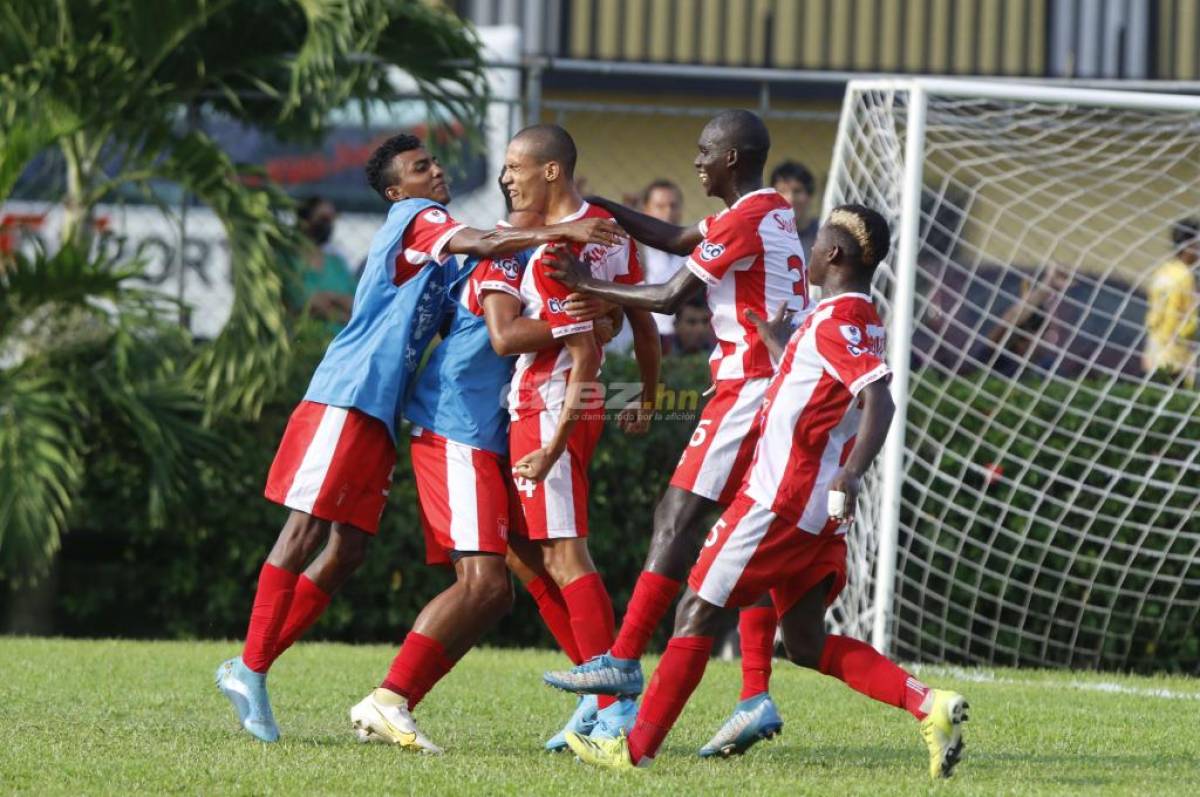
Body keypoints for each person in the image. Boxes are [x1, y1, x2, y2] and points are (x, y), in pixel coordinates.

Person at [214, 132, 624, 744]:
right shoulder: (419, 218)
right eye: (419, 166)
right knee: (312, 534)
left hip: (396, 409)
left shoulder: (458, 249)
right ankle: (254, 667)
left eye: (433, 162)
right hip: (350, 394)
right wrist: (565, 244)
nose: (436, 171)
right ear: (393, 190)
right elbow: (501, 312)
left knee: (357, 553)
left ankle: (597, 693)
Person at [564, 205, 970, 780]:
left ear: (834, 255)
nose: (808, 244)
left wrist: (852, 472)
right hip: (815, 517)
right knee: (804, 642)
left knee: (697, 609)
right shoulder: (848, 317)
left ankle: (633, 750)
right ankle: (929, 705)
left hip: (781, 501)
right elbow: (819, 388)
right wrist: (780, 343)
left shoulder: (838, 320)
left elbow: (880, 399)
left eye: (818, 237)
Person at [542, 109, 810, 757]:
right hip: (777, 391)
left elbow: (668, 297)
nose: (697, 160)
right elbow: (679, 237)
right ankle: (753, 693)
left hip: (749, 387)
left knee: (677, 514)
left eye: (705, 150)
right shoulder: (763, 211)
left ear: (734, 159)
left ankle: (625, 658)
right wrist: (600, 205)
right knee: (745, 537)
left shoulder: (748, 217)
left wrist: (587, 283)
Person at [346, 169, 618, 753]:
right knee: (485, 585)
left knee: (526, 566)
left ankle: (602, 700)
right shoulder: (508, 251)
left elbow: (605, 322)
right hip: (456, 431)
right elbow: (502, 335)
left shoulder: (538, 250)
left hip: (486, 434)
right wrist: (580, 322)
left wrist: (603, 316)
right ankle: (390, 700)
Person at [497, 124, 663, 746]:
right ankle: (596, 695)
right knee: (523, 547)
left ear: (550, 172)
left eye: (516, 165)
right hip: (561, 405)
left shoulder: (551, 255)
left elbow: (588, 351)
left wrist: (553, 443)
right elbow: (642, 326)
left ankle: (614, 706)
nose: (507, 177)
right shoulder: (604, 236)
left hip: (551, 405)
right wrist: (646, 399)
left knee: (565, 552)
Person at [969, 264, 1069, 378]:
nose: (1039, 342)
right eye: (1026, 338)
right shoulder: (997, 359)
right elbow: (1006, 324)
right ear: (1017, 340)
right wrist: (1046, 288)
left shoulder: (1048, 367)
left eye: (1042, 335)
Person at [285, 196, 356, 328]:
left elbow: (357, 305)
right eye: (323, 219)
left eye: (331, 219)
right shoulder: (287, 262)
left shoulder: (337, 265)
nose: (328, 225)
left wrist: (331, 298)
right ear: (304, 221)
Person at [1144, 217, 1199, 383]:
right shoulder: (1185, 277)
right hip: (1176, 355)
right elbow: (1185, 321)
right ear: (1189, 247)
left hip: (1155, 350)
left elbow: (1154, 315)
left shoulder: (1163, 271)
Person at [640, 179, 687, 348]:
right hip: (644, 339)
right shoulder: (637, 250)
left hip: (685, 343)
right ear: (645, 210)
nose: (668, 212)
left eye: (673, 206)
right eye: (660, 206)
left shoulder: (694, 249)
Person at [770, 160, 819, 255]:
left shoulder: (822, 233)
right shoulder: (765, 235)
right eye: (782, 191)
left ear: (809, 195)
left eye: (797, 191)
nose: (790, 199)